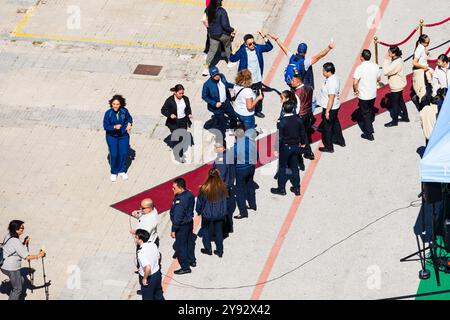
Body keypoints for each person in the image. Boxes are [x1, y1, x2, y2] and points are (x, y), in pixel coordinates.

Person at [230, 32, 274, 118]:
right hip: (247, 79)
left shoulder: (258, 48)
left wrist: (264, 37)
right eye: (250, 44)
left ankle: (257, 111)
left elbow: (269, 47)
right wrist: (234, 50)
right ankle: (246, 109)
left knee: (259, 95)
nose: (253, 45)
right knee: (246, 95)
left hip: (257, 78)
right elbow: (232, 59)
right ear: (246, 45)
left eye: (253, 42)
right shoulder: (242, 51)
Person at [269, 35, 335, 89]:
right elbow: (319, 56)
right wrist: (329, 48)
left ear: (297, 50)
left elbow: (283, 48)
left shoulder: (292, 57)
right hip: (301, 87)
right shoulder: (305, 63)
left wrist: (276, 38)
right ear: (305, 52)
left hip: (292, 84)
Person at [1, 220, 46, 300]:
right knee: (17, 289)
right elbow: (27, 257)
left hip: (4, 265)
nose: (23, 229)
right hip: (12, 269)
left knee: (21, 279)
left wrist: (24, 243)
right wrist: (39, 255)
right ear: (16, 229)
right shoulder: (16, 242)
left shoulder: (8, 235)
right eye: (21, 227)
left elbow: (14, 249)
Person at [271, 102, 307, 196]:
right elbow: (302, 133)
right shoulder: (298, 120)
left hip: (285, 147)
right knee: (295, 167)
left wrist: (276, 148)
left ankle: (281, 189)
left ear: (283, 109)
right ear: (293, 109)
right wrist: (303, 143)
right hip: (296, 146)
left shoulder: (282, 122)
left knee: (282, 167)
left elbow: (279, 137)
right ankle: (296, 188)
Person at [196, 169, 228, 258]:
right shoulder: (223, 187)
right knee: (218, 232)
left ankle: (208, 249)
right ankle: (220, 250)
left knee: (205, 230)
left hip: (207, 215)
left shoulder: (204, 188)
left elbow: (200, 202)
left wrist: (198, 211)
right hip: (219, 214)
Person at [103, 95, 133, 182]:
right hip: (112, 137)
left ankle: (122, 170)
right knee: (114, 154)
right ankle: (113, 172)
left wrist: (129, 124)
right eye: (114, 104)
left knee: (123, 153)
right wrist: (114, 127)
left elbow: (129, 118)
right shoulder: (108, 113)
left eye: (117, 104)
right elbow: (105, 126)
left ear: (121, 104)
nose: (115, 106)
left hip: (123, 135)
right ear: (111, 104)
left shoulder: (124, 111)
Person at [202, 66, 237, 139]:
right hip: (217, 107)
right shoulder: (207, 85)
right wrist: (214, 103)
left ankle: (233, 128)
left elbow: (226, 84)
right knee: (222, 124)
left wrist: (235, 86)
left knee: (233, 116)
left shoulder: (222, 76)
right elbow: (204, 96)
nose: (217, 76)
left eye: (217, 74)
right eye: (215, 75)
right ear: (211, 75)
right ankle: (222, 137)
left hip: (226, 103)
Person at [170, 178, 196, 275]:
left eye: (174, 188)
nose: (172, 190)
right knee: (189, 243)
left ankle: (185, 267)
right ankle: (191, 260)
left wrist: (173, 230)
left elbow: (177, 217)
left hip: (182, 226)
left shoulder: (180, 201)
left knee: (181, 247)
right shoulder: (189, 194)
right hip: (189, 223)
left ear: (180, 188)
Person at [318, 62, 346, 153]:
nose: (322, 72)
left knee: (327, 128)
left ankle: (329, 147)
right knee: (335, 124)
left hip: (330, 107)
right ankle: (340, 141)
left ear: (328, 71)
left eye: (324, 71)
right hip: (335, 106)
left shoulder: (331, 82)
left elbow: (331, 98)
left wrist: (327, 111)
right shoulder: (334, 77)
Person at [161, 84, 193, 162]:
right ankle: (179, 154)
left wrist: (189, 114)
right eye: (180, 93)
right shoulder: (170, 100)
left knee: (182, 138)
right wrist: (170, 115)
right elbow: (163, 110)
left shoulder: (185, 99)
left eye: (182, 93)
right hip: (173, 122)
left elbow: (188, 108)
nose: (182, 95)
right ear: (175, 92)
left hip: (183, 121)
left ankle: (180, 152)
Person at [203, 0, 236, 76]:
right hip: (221, 34)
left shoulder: (208, 9)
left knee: (212, 50)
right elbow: (225, 25)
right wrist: (232, 30)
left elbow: (205, 20)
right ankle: (229, 62)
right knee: (227, 46)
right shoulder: (222, 11)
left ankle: (206, 68)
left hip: (212, 34)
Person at [353, 49, 380, 140]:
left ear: (362, 57)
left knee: (365, 113)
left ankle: (369, 133)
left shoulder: (359, 68)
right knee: (370, 110)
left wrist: (355, 90)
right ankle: (370, 123)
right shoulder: (375, 66)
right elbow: (379, 78)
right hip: (373, 93)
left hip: (364, 95)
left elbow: (355, 82)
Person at [233, 123, 257, 219]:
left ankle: (243, 212)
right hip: (251, 167)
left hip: (241, 170)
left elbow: (232, 160)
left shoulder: (236, 147)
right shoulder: (251, 142)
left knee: (240, 192)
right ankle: (252, 204)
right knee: (250, 185)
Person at [382, 46, 409, 127]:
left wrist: (386, 59)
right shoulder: (398, 59)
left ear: (394, 53)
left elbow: (386, 71)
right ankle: (405, 117)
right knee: (400, 101)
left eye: (389, 52)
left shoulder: (396, 62)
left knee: (395, 104)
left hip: (396, 86)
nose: (388, 53)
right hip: (399, 84)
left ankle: (394, 121)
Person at [134, 229, 164, 300]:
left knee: (147, 297)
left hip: (149, 277)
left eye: (136, 237)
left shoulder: (141, 252)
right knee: (158, 294)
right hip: (157, 274)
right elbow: (159, 256)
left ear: (140, 240)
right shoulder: (153, 244)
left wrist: (144, 278)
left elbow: (148, 267)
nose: (135, 239)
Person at [291, 74, 315, 160]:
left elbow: (296, 109)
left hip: (301, 115)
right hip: (308, 113)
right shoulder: (309, 88)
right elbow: (313, 100)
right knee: (305, 130)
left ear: (298, 82)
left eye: (293, 81)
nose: (291, 82)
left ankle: (308, 152)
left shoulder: (296, 94)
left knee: (302, 134)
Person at [412, 34, 433, 109]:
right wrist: (424, 67)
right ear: (422, 42)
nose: (428, 43)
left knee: (428, 88)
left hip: (424, 70)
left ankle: (426, 104)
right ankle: (425, 106)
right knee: (424, 90)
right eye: (427, 42)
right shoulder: (419, 49)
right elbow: (414, 63)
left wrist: (427, 53)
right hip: (422, 72)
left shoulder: (423, 47)